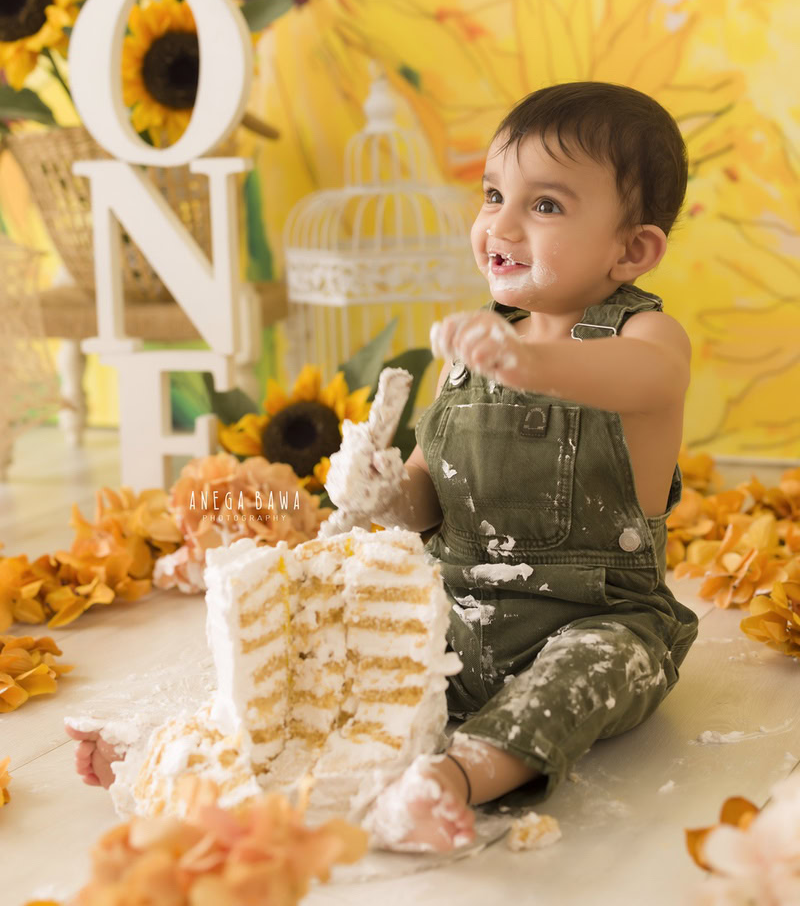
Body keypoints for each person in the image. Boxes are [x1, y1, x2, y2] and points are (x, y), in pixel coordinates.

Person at [68, 81, 699, 856]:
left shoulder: (644, 336)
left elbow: (647, 379)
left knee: (581, 682)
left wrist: (531, 362)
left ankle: (453, 778)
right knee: (330, 654)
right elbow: (426, 501)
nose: (499, 223)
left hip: (596, 616)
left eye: (545, 205)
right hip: (458, 617)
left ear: (631, 248)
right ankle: (191, 753)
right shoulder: (473, 356)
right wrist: (381, 493)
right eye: (494, 193)